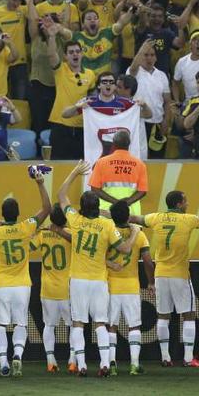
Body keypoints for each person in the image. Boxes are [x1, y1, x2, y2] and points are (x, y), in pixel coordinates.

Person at [56, 161, 140, 377]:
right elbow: (123, 249)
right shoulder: (107, 225)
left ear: (82, 207)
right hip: (99, 281)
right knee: (100, 323)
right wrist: (134, 233)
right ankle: (104, 363)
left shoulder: (74, 219)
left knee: (78, 323)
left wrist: (75, 172)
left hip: (78, 280)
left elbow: (61, 194)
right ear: (98, 207)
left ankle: (82, 365)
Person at [0, 167, 51, 377]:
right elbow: (47, 209)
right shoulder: (26, 228)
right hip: (22, 285)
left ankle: (3, 362)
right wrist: (40, 184)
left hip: (2, 285)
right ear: (18, 213)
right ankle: (18, 356)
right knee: (21, 322)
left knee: (0, 324)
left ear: (2, 214)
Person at [130, 190, 199, 368]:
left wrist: (107, 214)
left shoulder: (156, 218)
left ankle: (165, 357)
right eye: (185, 201)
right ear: (179, 204)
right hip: (179, 274)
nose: (187, 204)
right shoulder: (189, 219)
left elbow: (134, 218)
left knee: (163, 316)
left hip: (161, 274)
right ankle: (188, 358)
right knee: (188, 315)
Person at [106, 200, 154, 376]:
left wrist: (110, 264)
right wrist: (151, 282)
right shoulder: (139, 235)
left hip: (111, 286)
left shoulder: (108, 231)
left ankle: (112, 364)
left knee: (111, 326)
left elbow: (99, 257)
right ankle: (134, 365)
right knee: (134, 327)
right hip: (131, 286)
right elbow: (148, 261)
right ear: (128, 215)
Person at [30, 204, 75, 373]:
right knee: (74, 326)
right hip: (68, 289)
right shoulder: (70, 234)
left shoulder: (43, 234)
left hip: (48, 290)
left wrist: (36, 231)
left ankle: (50, 360)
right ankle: (72, 360)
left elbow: (28, 248)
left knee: (49, 326)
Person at [48, 40, 95, 159]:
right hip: (60, 125)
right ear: (65, 56)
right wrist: (52, 36)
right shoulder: (61, 70)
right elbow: (52, 54)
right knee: (58, 165)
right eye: (71, 52)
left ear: (82, 54)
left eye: (78, 51)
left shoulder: (90, 74)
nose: (75, 54)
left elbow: (93, 98)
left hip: (82, 127)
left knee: (81, 167)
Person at [88, 130, 148, 215]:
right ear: (129, 144)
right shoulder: (140, 164)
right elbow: (142, 191)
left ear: (114, 144)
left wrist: (115, 202)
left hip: (107, 211)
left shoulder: (101, 162)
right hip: (131, 212)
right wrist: (126, 203)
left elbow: (94, 189)